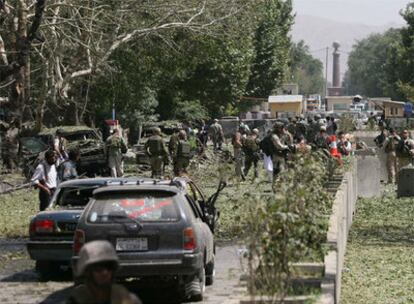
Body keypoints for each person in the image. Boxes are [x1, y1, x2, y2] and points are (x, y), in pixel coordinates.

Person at [68, 240, 141, 304]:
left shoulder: (126, 298)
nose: (105, 272)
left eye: (109, 267)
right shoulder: (77, 299)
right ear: (87, 272)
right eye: (98, 268)